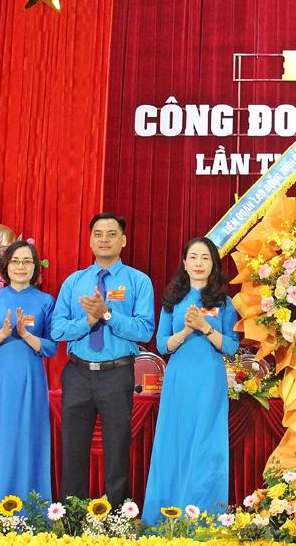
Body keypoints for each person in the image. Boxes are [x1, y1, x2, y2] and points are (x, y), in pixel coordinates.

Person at [51, 213, 155, 507]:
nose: (104, 239)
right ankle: (72, 516)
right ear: (90, 240)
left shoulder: (139, 281)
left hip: (117, 374)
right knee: (73, 450)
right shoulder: (74, 282)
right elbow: (57, 329)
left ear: (123, 240)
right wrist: (87, 320)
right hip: (78, 373)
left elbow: (145, 330)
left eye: (111, 234)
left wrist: (107, 314)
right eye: (98, 234)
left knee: (117, 449)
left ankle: (114, 519)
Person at [142, 237, 240, 524]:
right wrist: (186, 331)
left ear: (214, 264)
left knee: (207, 445)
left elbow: (231, 347)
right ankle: (165, 516)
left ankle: (205, 517)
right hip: (179, 379)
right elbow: (162, 344)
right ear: (184, 263)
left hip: (209, 380)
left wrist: (205, 327)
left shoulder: (224, 303)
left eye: (205, 258)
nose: (199, 263)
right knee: (173, 441)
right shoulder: (173, 301)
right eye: (193, 257)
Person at [0, 240, 56, 506]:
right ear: (6, 266)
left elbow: (51, 347)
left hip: (31, 378)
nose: (21, 267)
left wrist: (26, 335)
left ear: (35, 267)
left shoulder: (45, 301)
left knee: (28, 435)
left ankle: (29, 506)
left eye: (27, 261)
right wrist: (3, 333)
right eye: (16, 261)